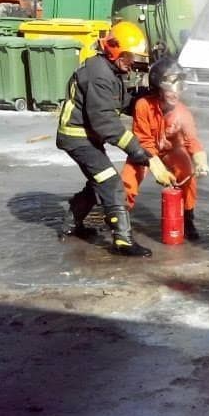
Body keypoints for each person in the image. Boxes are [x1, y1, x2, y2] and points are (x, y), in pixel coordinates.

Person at [56, 20, 177, 256]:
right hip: (77, 138)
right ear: (114, 49)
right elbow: (106, 125)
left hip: (86, 136)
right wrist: (143, 155)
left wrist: (147, 99)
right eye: (129, 56)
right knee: (111, 182)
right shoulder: (99, 75)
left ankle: (70, 225)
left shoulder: (109, 70)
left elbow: (119, 101)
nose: (132, 62)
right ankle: (123, 241)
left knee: (99, 181)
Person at [121, 57, 209, 240]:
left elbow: (192, 140)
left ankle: (188, 218)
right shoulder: (143, 106)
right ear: (158, 85)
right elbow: (143, 141)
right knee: (128, 179)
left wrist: (201, 161)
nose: (175, 93)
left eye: (178, 87)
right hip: (145, 151)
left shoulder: (183, 113)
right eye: (170, 85)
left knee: (187, 172)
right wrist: (157, 168)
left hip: (171, 151)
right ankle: (121, 221)